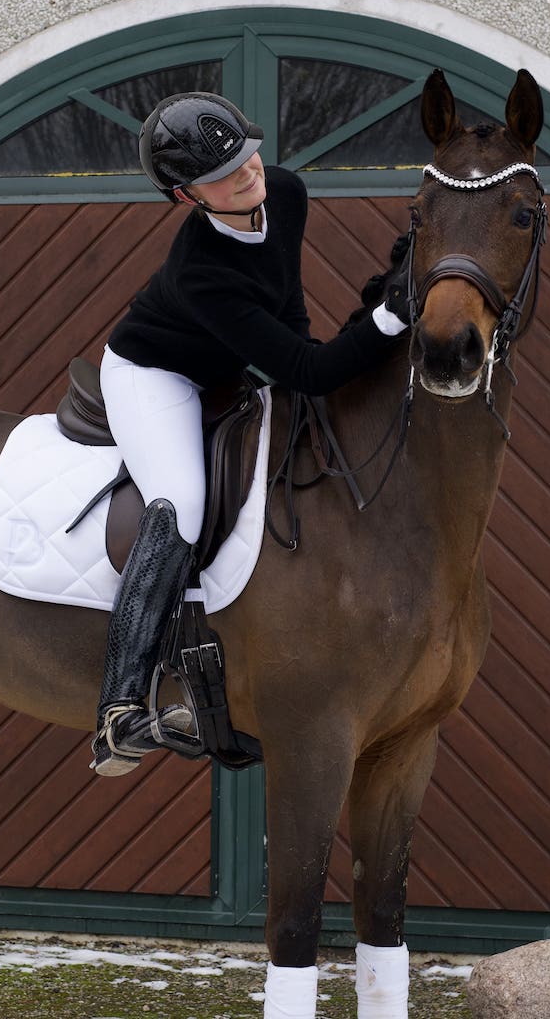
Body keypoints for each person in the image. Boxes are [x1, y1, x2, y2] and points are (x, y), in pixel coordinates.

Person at [91, 92, 410, 776]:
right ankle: (118, 709)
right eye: (225, 171)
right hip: (156, 374)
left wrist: (355, 330)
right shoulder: (201, 272)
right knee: (181, 501)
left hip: (224, 366)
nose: (248, 172)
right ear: (186, 197)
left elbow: (287, 311)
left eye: (247, 152)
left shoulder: (286, 194)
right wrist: (388, 319)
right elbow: (307, 369)